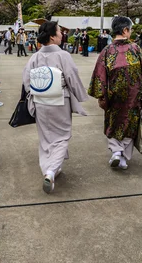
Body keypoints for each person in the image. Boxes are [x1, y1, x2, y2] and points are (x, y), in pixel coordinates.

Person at [22, 21, 88, 193]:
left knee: (46, 138)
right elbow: (72, 77)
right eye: (59, 32)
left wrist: (36, 93)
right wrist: (80, 95)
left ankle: (49, 169)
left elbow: (27, 81)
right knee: (62, 136)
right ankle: (51, 171)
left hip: (40, 102)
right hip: (60, 100)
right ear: (52, 36)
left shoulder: (35, 57)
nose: (61, 34)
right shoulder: (63, 55)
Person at [88, 16, 142, 170]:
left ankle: (116, 152)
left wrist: (102, 96)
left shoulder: (107, 51)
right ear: (125, 30)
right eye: (130, 30)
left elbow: (99, 76)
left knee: (114, 123)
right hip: (134, 97)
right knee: (130, 126)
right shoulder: (136, 49)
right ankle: (123, 158)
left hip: (114, 98)